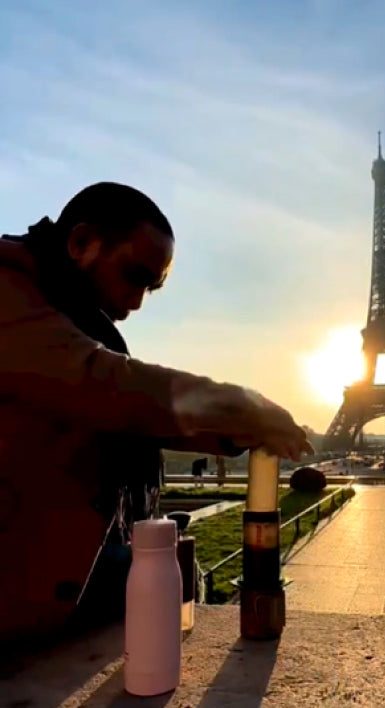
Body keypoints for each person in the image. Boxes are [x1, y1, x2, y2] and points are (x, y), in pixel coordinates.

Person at [0, 182, 312, 644]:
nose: (138, 301)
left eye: (152, 287)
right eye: (134, 275)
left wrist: (234, 433)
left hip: (47, 556)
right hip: (20, 569)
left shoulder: (62, 310)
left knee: (178, 574)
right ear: (81, 243)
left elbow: (127, 408)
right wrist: (243, 408)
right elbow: (104, 386)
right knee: (180, 578)